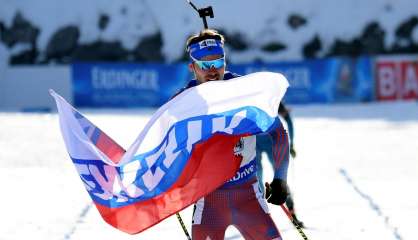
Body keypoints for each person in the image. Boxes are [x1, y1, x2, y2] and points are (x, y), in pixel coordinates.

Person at [175, 28, 291, 240]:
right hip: (208, 202)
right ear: (192, 67)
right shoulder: (183, 104)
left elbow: (278, 133)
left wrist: (280, 179)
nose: (212, 71)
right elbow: (165, 149)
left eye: (218, 63)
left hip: (249, 197)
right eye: (204, 65)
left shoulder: (245, 93)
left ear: (225, 62)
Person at [256, 103, 305, 227]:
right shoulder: (251, 96)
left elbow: (288, 119)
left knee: (280, 180)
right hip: (254, 143)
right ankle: (261, 218)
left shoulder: (272, 98)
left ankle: (292, 214)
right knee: (257, 182)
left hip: (272, 143)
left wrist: (292, 143)